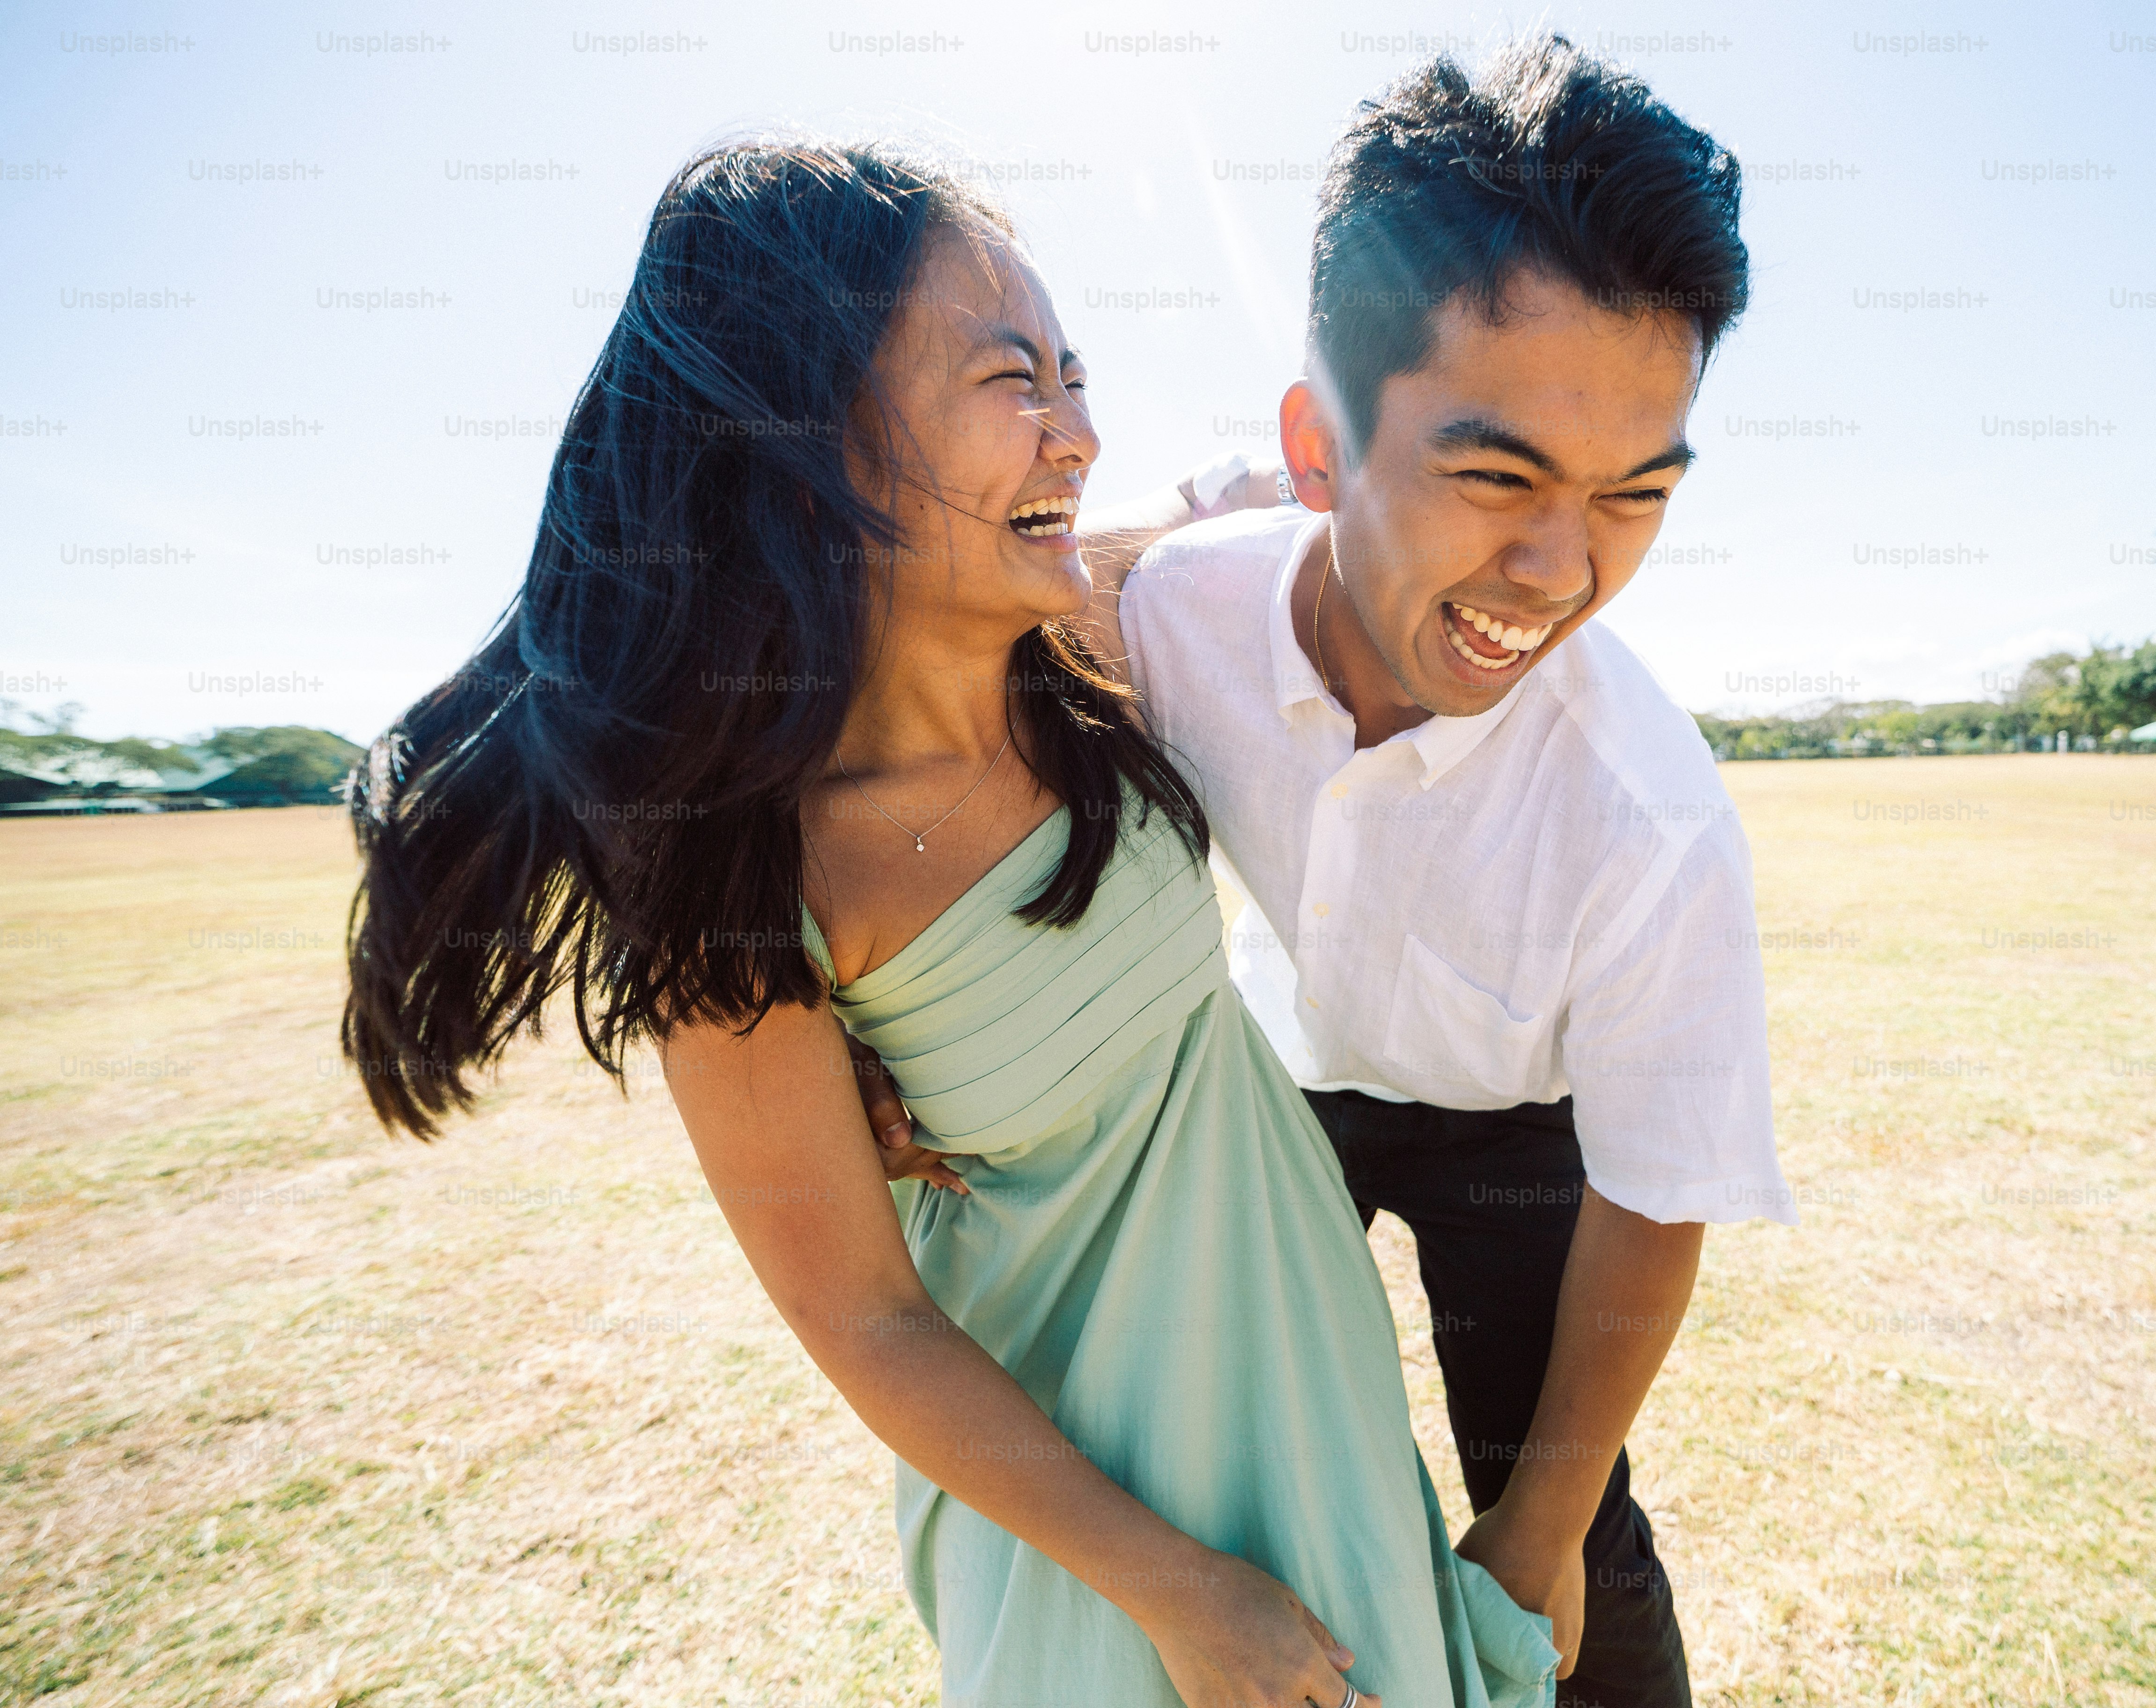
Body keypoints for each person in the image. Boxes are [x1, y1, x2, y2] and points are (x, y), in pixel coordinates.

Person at [340, 139, 1555, 1708]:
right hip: (1105, 1541)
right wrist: (1178, 1596)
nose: (1078, 430)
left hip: (1311, 1390)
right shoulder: (750, 890)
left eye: (1075, 372)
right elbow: (864, 1318)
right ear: (819, 440)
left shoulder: (1097, 650)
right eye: (1014, 381)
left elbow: (1256, 514)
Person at [856, 37, 1794, 1708]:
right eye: (1496, 475)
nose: (1562, 569)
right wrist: (875, 1041)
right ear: (1317, 448)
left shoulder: (1649, 818)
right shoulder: (1173, 611)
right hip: (1284, 1083)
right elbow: (1011, 619)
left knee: (1557, 1504)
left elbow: (1658, 1196)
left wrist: (1543, 1525)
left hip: (1525, 1128)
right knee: (1256, 1432)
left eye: (1633, 496)